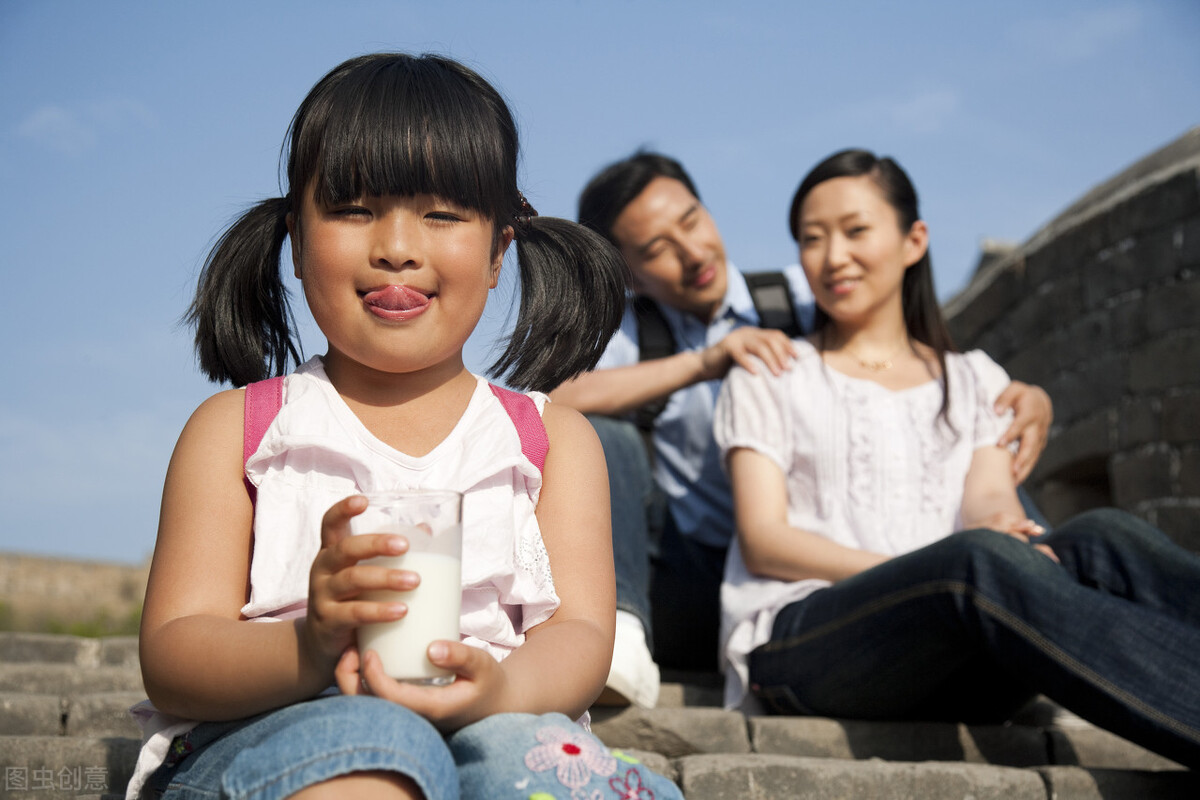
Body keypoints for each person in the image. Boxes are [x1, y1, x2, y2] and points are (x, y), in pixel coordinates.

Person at [126, 53, 685, 800]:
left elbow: (580, 636)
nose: (397, 246)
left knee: (535, 768)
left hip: (500, 729)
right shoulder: (239, 430)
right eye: (354, 210)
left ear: (499, 252)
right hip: (287, 730)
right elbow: (174, 651)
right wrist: (311, 645)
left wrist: (498, 689)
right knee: (378, 752)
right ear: (296, 243)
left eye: (442, 215)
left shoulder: (554, 442)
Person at [713, 148, 1200, 769]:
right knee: (974, 561)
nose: (833, 256)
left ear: (914, 240)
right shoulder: (772, 374)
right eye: (812, 239)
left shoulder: (974, 378)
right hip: (809, 645)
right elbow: (764, 542)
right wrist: (927, 569)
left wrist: (1008, 534)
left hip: (952, 642)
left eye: (855, 230)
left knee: (1103, 538)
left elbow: (989, 500)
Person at [551, 151, 1054, 708]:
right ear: (628, 275)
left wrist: (1020, 395)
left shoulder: (798, 291)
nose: (692, 252)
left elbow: (917, 378)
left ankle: (1042, 602)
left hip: (817, 558)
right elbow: (549, 399)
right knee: (601, 436)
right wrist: (704, 363)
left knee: (987, 468)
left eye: (692, 220)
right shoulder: (623, 335)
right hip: (693, 571)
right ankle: (617, 637)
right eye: (656, 250)